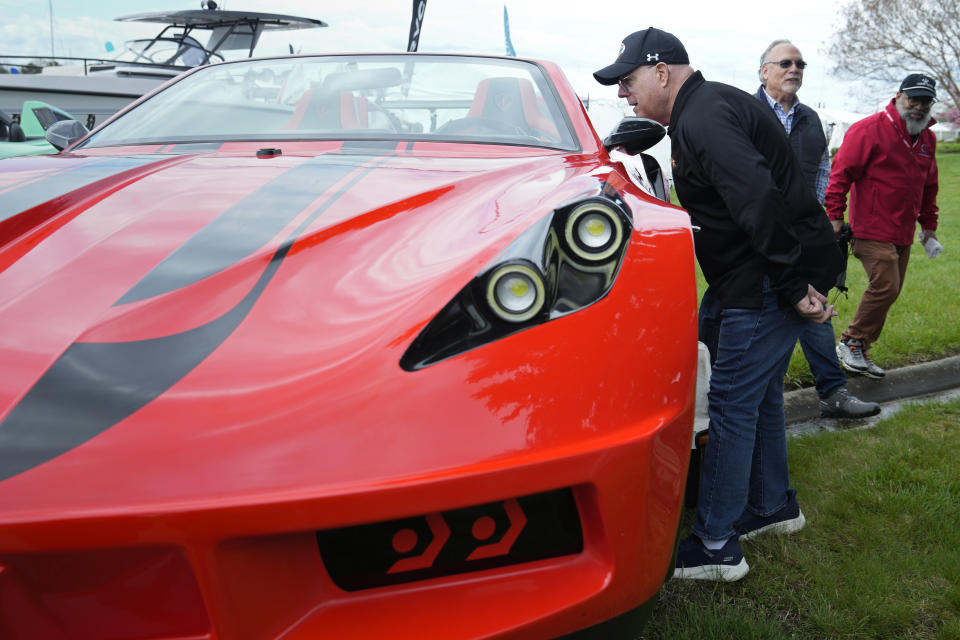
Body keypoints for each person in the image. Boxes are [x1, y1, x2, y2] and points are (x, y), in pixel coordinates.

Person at [594, 27, 842, 581]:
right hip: (762, 274)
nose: (622, 94)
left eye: (627, 81)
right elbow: (729, 199)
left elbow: (756, 195)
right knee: (759, 399)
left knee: (730, 403)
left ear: (661, 71)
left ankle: (715, 545)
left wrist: (790, 284)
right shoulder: (704, 109)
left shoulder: (703, 115)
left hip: (765, 280)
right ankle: (773, 505)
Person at [755, 39, 879, 420]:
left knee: (816, 309)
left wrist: (823, 222)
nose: (795, 69)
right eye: (785, 63)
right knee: (763, 318)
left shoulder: (810, 119)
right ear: (764, 71)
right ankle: (763, 403)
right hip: (759, 235)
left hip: (804, 236)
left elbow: (823, 171)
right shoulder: (746, 112)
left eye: (801, 64)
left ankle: (833, 393)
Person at [827, 74, 941, 379]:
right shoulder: (868, 129)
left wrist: (929, 226)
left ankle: (860, 349)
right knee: (886, 285)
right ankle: (850, 342)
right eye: (913, 99)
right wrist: (834, 215)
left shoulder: (927, 138)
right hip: (871, 227)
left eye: (925, 102)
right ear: (898, 96)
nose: (918, 107)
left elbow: (929, 185)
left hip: (902, 230)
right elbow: (840, 174)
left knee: (892, 290)